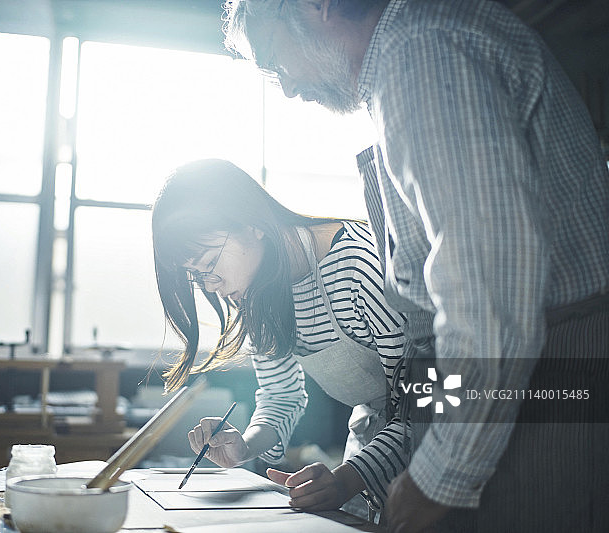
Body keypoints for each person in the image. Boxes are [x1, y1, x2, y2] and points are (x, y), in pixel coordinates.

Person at [222, 1, 609, 533]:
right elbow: (423, 346)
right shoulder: (400, 63)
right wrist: (398, 459)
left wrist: (435, 475)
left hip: (545, 369)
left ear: (317, 5)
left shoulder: (420, 52)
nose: (285, 87)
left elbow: (489, 289)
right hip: (475, 378)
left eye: (273, 58)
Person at [152, 158, 407, 517]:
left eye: (209, 264)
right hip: (369, 447)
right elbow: (281, 395)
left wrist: (349, 478)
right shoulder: (257, 291)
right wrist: (244, 446)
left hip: (438, 442)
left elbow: (425, 404)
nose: (211, 286)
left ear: (251, 223)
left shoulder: (359, 266)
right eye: (197, 275)